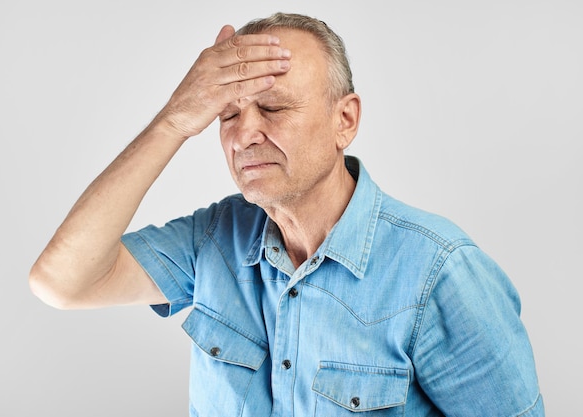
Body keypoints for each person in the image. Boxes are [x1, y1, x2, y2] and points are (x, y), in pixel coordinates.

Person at [29, 12, 544, 416]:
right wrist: (175, 121)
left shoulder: (441, 272)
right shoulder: (215, 239)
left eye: (272, 108)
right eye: (227, 113)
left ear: (345, 120)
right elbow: (61, 281)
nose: (242, 133)